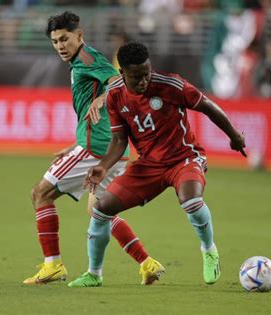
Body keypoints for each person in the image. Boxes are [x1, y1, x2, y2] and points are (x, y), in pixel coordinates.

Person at [68, 42, 247, 288]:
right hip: (148, 166)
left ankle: (209, 250)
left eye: (146, 74)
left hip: (184, 157)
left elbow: (206, 106)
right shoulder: (115, 95)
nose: (143, 81)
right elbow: (120, 140)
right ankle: (94, 274)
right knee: (101, 209)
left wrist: (234, 135)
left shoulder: (170, 85)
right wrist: (103, 166)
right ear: (122, 74)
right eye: (136, 77)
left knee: (191, 200)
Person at [23, 12, 162, 286]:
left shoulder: (87, 59)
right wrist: (76, 143)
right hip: (110, 148)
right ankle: (147, 263)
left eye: (65, 39)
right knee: (100, 211)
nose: (60, 46)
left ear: (80, 36)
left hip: (96, 151)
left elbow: (120, 81)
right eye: (55, 41)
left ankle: (53, 265)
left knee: (41, 193)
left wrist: (100, 100)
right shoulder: (80, 62)